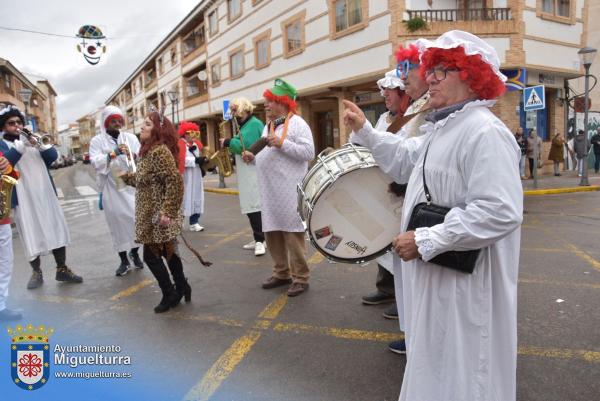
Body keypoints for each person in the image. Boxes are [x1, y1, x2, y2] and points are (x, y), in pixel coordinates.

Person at [344, 30, 523, 401]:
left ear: (472, 77)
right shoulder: (443, 127)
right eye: (432, 70)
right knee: (438, 362)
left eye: (442, 70)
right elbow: (405, 161)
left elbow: (500, 211)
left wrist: (426, 239)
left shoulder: (484, 132)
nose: (430, 78)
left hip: (466, 285)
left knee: (466, 368)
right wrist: (365, 130)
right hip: (439, 276)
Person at [242, 79, 315, 297]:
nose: (265, 106)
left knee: (292, 234)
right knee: (272, 233)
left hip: (289, 190)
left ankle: (300, 277)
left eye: (269, 102)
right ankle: (281, 272)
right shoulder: (269, 125)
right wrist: (252, 158)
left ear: (282, 102)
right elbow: (267, 154)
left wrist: (282, 143)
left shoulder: (298, 124)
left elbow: (308, 153)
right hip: (270, 191)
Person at [0, 105, 82, 289]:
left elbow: (52, 157)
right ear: (3, 127)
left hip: (45, 193)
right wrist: (21, 147)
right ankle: (36, 272)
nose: (16, 126)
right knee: (30, 232)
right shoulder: (3, 144)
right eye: (11, 123)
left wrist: (40, 143)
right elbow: (5, 165)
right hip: (23, 196)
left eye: (19, 122)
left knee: (56, 228)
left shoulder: (31, 139)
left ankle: (62, 269)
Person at [350, 70, 409, 316]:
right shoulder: (384, 118)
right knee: (384, 240)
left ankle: (405, 299)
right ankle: (386, 289)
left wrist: (403, 182)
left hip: (403, 190)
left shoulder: (415, 118)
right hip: (384, 186)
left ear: (402, 93)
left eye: (390, 90)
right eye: (383, 90)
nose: (384, 94)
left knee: (401, 244)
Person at [121, 111, 188, 313]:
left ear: (158, 131)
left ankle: (169, 293)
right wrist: (127, 177)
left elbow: (175, 181)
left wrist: (167, 211)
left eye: (147, 124)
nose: (141, 127)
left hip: (157, 216)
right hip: (150, 213)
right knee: (169, 253)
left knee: (151, 257)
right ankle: (182, 286)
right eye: (143, 124)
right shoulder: (149, 152)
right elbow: (145, 181)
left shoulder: (159, 152)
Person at [89, 106, 144, 276]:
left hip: (130, 185)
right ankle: (123, 260)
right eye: (113, 121)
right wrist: (112, 154)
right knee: (117, 223)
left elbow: (140, 154)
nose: (117, 124)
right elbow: (95, 161)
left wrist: (133, 156)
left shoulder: (130, 137)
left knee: (134, 219)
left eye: (119, 121)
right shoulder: (97, 140)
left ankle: (134, 253)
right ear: (106, 123)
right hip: (111, 187)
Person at [220, 97, 266, 256]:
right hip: (247, 170)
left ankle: (261, 240)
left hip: (253, 171)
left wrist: (228, 142)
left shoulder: (253, 125)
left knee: (254, 205)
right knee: (250, 205)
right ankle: (258, 237)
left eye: (236, 112)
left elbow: (248, 147)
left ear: (244, 110)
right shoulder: (247, 124)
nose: (234, 116)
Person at [0, 149, 21, 321]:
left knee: (5, 262)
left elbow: (13, 177)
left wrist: (8, 167)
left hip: (1, 218)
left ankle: (0, 305)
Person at [177, 121, 205, 232]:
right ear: (185, 133)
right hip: (185, 177)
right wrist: (195, 160)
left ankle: (194, 222)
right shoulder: (180, 144)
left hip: (196, 175)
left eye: (195, 133)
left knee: (197, 197)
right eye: (191, 133)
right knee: (183, 199)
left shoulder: (196, 144)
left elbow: (200, 157)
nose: (193, 136)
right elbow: (179, 160)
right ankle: (178, 223)